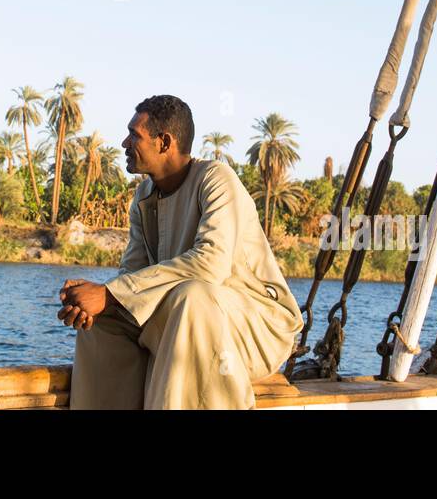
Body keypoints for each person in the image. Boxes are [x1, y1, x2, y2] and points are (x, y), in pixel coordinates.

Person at [59, 94, 301, 409]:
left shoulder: (216, 179)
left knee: (193, 295)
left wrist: (111, 293)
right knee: (100, 322)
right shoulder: (144, 196)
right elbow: (132, 276)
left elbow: (210, 265)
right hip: (181, 319)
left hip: (257, 329)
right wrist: (101, 301)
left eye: (135, 135)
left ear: (164, 142)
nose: (124, 143)